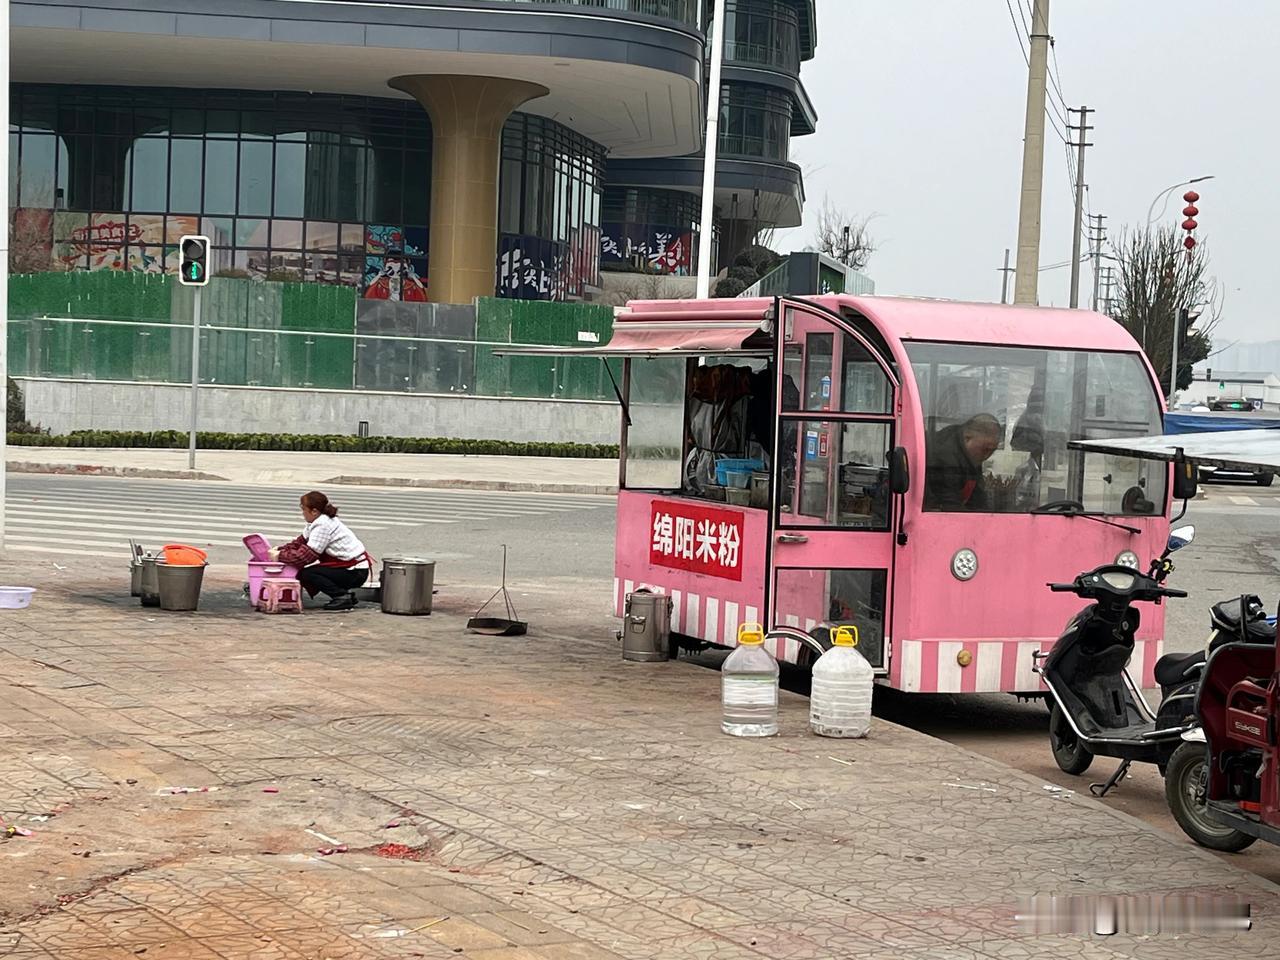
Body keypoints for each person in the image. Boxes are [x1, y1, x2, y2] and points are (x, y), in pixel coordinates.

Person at [272, 491, 372, 611]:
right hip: (350, 568)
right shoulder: (316, 522)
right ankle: (346, 596)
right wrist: (280, 549)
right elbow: (299, 542)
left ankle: (341, 596)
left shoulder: (323, 525)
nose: (302, 513)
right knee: (312, 571)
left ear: (314, 511)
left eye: (304, 509)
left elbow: (304, 557)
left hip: (355, 572)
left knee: (308, 574)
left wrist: (280, 556)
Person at [924, 413, 1001, 511]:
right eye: (985, 449)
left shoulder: (969, 452)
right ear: (967, 438)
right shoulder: (946, 458)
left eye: (992, 451)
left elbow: (977, 498)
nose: (987, 456)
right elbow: (950, 506)